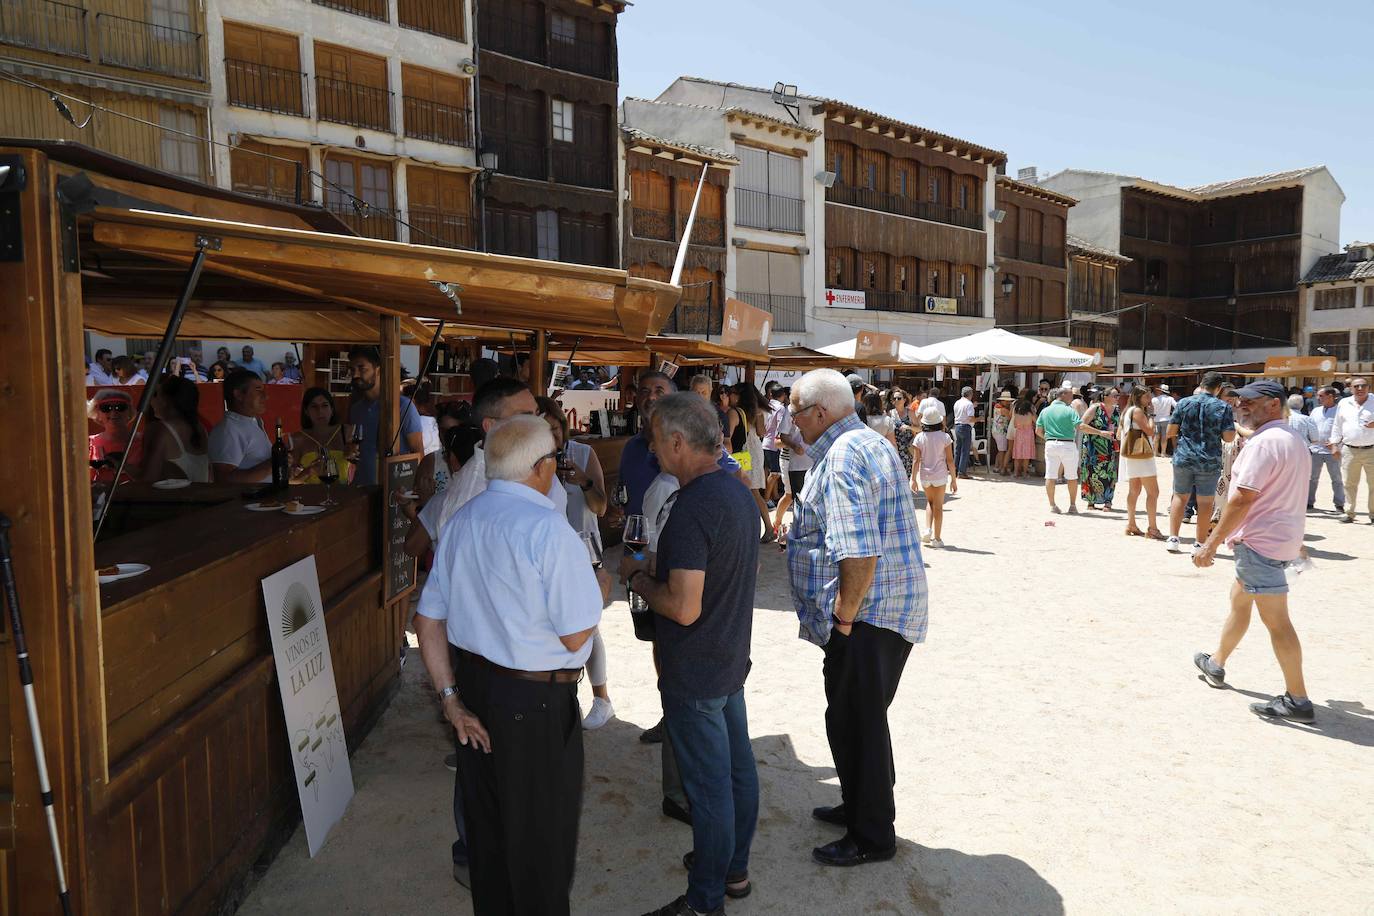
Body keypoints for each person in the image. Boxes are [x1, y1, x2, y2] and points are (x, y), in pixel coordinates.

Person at [414, 415, 609, 915]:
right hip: (535, 703)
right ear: (543, 467)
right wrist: (599, 590)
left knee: (490, 839)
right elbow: (575, 634)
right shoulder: (550, 529)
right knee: (541, 849)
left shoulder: (462, 520)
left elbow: (427, 620)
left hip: (475, 691)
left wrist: (451, 702)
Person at [621, 394, 760, 916]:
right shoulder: (735, 491)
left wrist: (639, 579)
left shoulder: (692, 505)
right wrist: (660, 564)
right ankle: (734, 873)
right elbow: (716, 568)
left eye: (656, 442)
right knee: (737, 774)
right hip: (728, 659)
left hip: (697, 667)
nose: (652, 452)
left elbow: (682, 607)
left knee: (709, 790)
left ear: (678, 442)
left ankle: (705, 902)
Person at [785, 369, 926, 869]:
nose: (793, 423)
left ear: (820, 412)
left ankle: (871, 835)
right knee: (857, 717)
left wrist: (843, 619)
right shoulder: (867, 441)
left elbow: (859, 550)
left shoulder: (844, 455)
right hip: (881, 610)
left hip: (867, 615)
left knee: (855, 722)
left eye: (796, 413)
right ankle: (859, 804)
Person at [1192, 381, 1314, 723]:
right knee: (1239, 600)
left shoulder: (1265, 443)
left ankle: (1298, 700)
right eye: (1239, 401)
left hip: (1260, 543)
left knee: (1277, 623)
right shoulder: (1291, 438)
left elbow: (1243, 497)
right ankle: (1216, 663)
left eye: (1249, 401)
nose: (1240, 406)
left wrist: (1210, 544)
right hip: (1278, 539)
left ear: (1273, 404)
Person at [536, 396, 616, 731]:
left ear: (563, 427)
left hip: (584, 552)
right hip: (545, 554)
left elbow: (601, 507)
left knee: (588, 626)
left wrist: (584, 481)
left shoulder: (583, 454)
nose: (551, 437)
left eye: (554, 429)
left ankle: (602, 699)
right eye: (543, 431)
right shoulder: (530, 460)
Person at [1166, 371, 1236, 554]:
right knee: (1205, 502)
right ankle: (1199, 543)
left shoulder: (1184, 403)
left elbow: (1170, 431)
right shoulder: (1223, 407)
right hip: (1209, 459)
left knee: (1179, 497)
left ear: (1202, 384)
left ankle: (1173, 538)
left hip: (1184, 456)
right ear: (1218, 388)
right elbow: (1229, 438)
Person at [345, 345, 424, 487]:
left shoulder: (402, 406)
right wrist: (350, 452)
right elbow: (356, 451)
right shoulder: (356, 409)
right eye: (352, 370)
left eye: (362, 368)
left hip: (395, 488)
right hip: (362, 487)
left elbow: (418, 453)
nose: (355, 375)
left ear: (378, 370)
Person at [137, 375, 210, 483]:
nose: (151, 400)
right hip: (200, 492)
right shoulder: (200, 427)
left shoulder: (161, 430)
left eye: (156, 395)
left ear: (166, 400)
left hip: (174, 493)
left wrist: (123, 466)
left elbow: (147, 480)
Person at [726, 383, 774, 542]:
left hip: (748, 450)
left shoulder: (745, 411)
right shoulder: (751, 410)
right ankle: (767, 527)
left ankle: (768, 527)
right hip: (751, 450)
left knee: (753, 491)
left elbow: (761, 432)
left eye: (733, 393)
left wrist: (757, 417)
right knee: (751, 491)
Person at [208, 369, 272, 483]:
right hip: (248, 495)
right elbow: (223, 480)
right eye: (258, 390)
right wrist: (272, 465)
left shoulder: (253, 422)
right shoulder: (228, 430)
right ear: (238, 395)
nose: (265, 396)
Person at [1119, 387, 1163, 538]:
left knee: (1134, 490)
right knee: (1153, 492)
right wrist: (1151, 415)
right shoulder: (1138, 411)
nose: (1149, 400)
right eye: (1146, 397)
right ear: (1138, 397)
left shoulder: (1127, 411)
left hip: (1132, 455)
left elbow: (1119, 434)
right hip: (1142, 456)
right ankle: (1152, 528)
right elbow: (1150, 431)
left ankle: (1131, 524)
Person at [1329, 376, 1374, 523]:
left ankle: (1373, 514)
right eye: (1356, 386)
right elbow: (1337, 425)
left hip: (1372, 450)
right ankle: (1349, 513)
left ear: (1369, 388)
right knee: (1349, 483)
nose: (1360, 389)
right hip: (1349, 450)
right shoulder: (1344, 403)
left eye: (1363, 386)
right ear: (1350, 388)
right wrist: (1334, 444)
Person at [912, 405, 955, 548]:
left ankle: (927, 529)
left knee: (930, 502)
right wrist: (954, 480)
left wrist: (913, 479)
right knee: (938, 506)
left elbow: (916, 460)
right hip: (940, 475)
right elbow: (950, 460)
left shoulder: (919, 437)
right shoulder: (945, 437)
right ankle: (937, 538)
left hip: (925, 475)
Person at [1036, 387, 1080, 513]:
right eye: (1070, 395)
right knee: (1072, 476)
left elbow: (1038, 431)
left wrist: (1048, 438)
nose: (1072, 397)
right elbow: (1079, 426)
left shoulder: (1045, 411)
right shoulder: (1070, 410)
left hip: (1051, 443)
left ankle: (1052, 505)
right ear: (1063, 395)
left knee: (1050, 476)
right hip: (1068, 444)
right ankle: (1072, 505)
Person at [291, 388, 346, 484]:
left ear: (332, 409)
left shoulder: (345, 432)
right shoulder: (297, 438)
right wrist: (309, 471)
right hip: (309, 492)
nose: (320, 411)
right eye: (314, 406)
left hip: (343, 491)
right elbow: (289, 481)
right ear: (306, 411)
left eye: (325, 405)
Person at [1078, 386, 1121, 510]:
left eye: (1118, 396)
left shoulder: (1116, 410)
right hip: (1092, 447)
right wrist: (1100, 432)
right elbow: (1081, 425)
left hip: (1109, 446)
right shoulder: (1095, 408)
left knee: (1110, 472)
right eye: (1115, 396)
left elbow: (1118, 428)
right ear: (1105, 397)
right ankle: (1091, 501)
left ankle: (1108, 501)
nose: (1117, 398)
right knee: (1091, 472)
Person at [88, 388, 142, 484]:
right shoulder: (89, 443)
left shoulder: (144, 441)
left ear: (129, 412)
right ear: (97, 414)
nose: (113, 412)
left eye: (120, 407)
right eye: (106, 408)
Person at [1306, 386, 1345, 513]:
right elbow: (1309, 427)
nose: (1318, 398)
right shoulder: (1316, 410)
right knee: (1312, 478)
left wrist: (1336, 443)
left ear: (1330, 396)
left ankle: (1339, 505)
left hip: (1332, 451)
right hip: (1315, 450)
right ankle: (1309, 502)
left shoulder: (1340, 411)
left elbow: (1345, 430)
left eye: (1321, 396)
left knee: (1336, 479)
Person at [762, 381, 786, 503]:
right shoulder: (780, 408)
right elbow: (780, 426)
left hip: (765, 442)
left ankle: (775, 496)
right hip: (774, 444)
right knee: (775, 474)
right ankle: (766, 500)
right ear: (783, 395)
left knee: (771, 472)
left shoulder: (766, 405)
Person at [952, 386, 977, 478]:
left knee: (958, 449)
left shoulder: (957, 402)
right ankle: (962, 472)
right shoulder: (969, 404)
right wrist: (979, 419)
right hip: (965, 427)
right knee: (965, 450)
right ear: (970, 394)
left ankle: (955, 470)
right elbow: (971, 418)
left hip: (957, 426)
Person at [1010, 393, 1036, 477]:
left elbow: (1014, 425)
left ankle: (1016, 472)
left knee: (1017, 454)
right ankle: (1024, 473)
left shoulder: (1017, 415)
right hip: (1028, 434)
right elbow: (1037, 421)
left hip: (1019, 433)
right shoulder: (1030, 415)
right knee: (1026, 455)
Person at [990, 392, 1012, 475]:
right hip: (1001, 432)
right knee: (1002, 451)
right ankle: (1001, 467)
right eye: (1006, 401)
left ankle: (997, 467)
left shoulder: (996, 406)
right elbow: (1011, 417)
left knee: (1000, 450)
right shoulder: (1003, 409)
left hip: (997, 431)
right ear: (1002, 400)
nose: (1008, 403)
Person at [1151, 385, 1175, 455]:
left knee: (1156, 436)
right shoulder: (1170, 399)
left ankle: (1155, 452)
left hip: (1156, 419)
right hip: (1166, 419)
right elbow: (1176, 406)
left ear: (1160, 391)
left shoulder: (1154, 399)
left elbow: (1150, 408)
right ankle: (1163, 453)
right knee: (1164, 437)